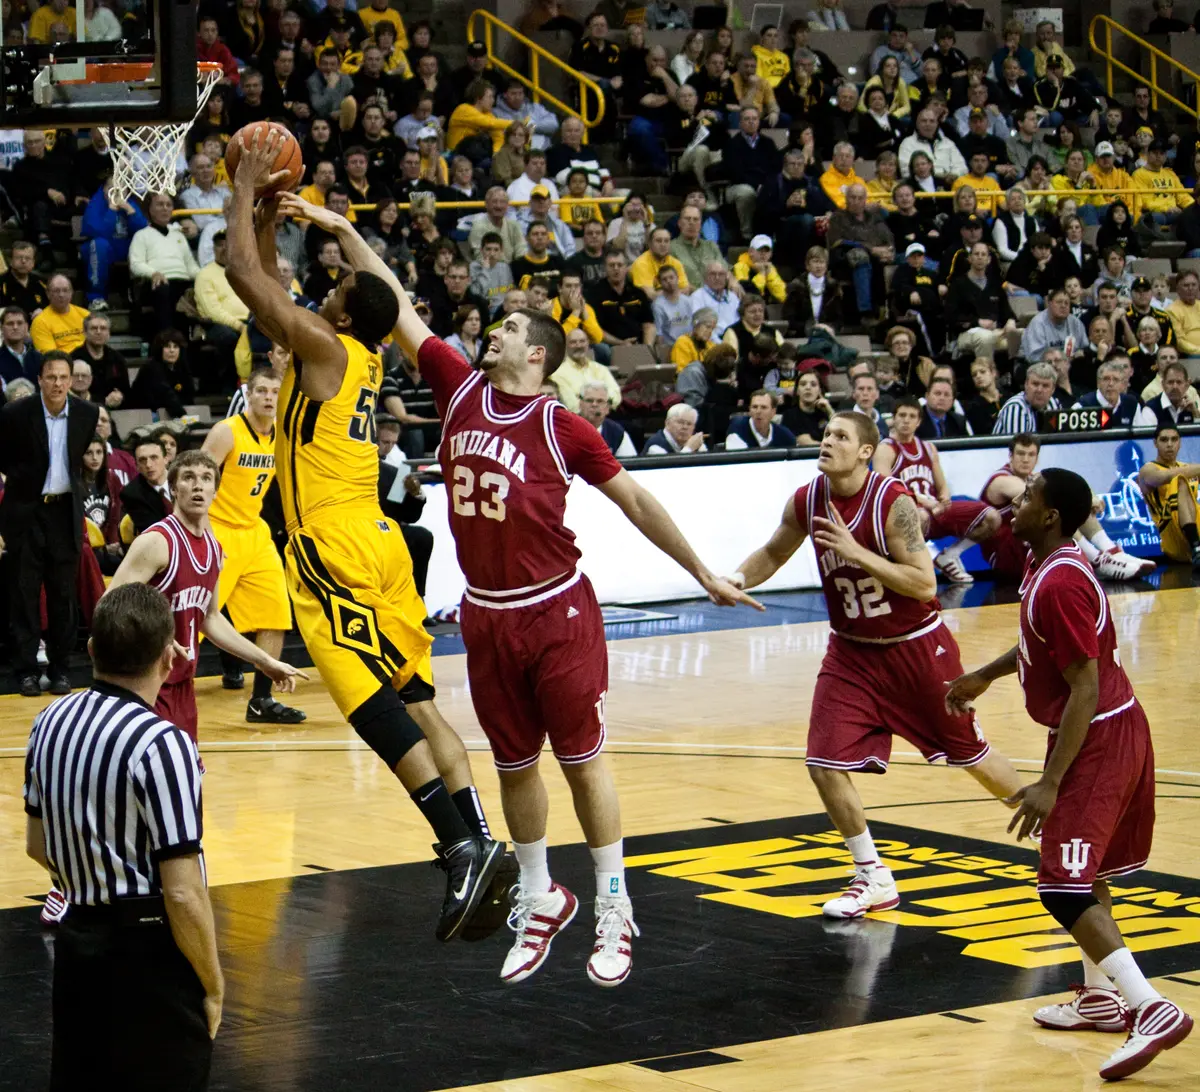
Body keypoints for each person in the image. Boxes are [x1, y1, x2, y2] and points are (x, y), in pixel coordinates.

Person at [368, 198, 757, 986]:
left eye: (509, 327)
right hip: (486, 616)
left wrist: (703, 573)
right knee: (514, 769)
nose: (495, 330)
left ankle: (614, 902)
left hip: (558, 610)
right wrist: (346, 235)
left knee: (582, 763)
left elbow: (639, 503)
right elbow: (398, 310)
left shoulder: (561, 426)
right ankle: (541, 896)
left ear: (538, 354)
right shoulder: (457, 387)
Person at [228, 134, 511, 945]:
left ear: (343, 313)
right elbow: (341, 285)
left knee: (370, 707)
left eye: (336, 285)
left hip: (333, 546)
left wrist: (244, 190)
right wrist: (312, 224)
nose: (327, 288)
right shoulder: (369, 350)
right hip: (380, 543)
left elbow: (245, 279)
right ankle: (482, 840)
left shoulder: (325, 346)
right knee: (419, 701)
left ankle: (457, 846)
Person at [946, 468, 1193, 1082]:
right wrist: (987, 674)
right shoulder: (1043, 562)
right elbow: (1044, 649)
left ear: (1050, 515)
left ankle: (1150, 1007)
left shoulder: (1059, 581)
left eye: (1027, 496)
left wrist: (1051, 783)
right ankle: (1099, 997)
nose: (1015, 501)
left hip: (1100, 736)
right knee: (1092, 872)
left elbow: (1082, 684)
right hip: (1108, 726)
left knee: (1061, 886)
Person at [727, 411, 1023, 918]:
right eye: (825, 434)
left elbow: (925, 585)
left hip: (915, 649)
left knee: (972, 756)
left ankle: (1063, 837)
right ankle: (873, 875)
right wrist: (734, 578)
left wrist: (854, 552)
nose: (828, 442)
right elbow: (775, 551)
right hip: (851, 652)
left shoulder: (893, 502)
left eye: (841, 436)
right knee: (823, 763)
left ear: (866, 451)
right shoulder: (807, 498)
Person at [23, 584, 223, 1089]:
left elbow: (37, 846)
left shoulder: (48, 721)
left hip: (77, 943)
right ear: (168, 657)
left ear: (90, 650)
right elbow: (181, 890)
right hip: (148, 956)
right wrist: (214, 984)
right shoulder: (165, 743)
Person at [108, 447, 303, 740]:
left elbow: (210, 619)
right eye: (188, 477)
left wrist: (264, 661)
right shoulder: (157, 542)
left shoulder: (213, 549)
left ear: (215, 490)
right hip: (143, 683)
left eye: (206, 478)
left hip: (183, 683)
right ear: (173, 488)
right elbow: (108, 607)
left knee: (186, 778)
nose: (198, 484)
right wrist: (157, 636)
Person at [200, 368, 305, 724]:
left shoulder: (282, 435)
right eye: (261, 390)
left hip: (254, 530)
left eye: (275, 391)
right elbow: (194, 478)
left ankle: (261, 700)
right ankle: (152, 695)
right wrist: (193, 531)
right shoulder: (226, 432)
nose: (269, 397)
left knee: (276, 614)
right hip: (217, 529)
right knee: (191, 618)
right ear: (248, 394)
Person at [0, 351, 99, 696]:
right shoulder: (14, 413)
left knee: (63, 596)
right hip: (26, 512)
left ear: (71, 380)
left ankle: (60, 669)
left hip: (63, 512)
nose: (57, 383)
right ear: (39, 379)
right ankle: (26, 671)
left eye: (63, 377)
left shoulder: (87, 413)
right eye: (51, 377)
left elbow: (78, 456)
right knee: (24, 595)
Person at [874, 397, 1000, 583]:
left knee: (991, 517)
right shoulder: (885, 449)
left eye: (912, 416)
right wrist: (927, 503)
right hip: (901, 514)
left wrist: (944, 500)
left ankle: (949, 556)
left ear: (919, 421)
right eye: (902, 415)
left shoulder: (928, 448)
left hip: (932, 510)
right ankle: (913, 572)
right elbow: (887, 490)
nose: (906, 420)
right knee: (920, 515)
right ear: (893, 419)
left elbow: (941, 486)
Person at [1138, 424, 1200, 568]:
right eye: (1164, 440)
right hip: (1170, 534)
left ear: (1180, 442)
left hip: (1194, 523)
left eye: (1174, 439)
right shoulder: (1148, 469)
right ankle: (1196, 546)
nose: (1170, 445)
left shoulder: (1187, 467)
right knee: (1180, 481)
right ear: (1155, 443)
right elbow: (1162, 477)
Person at [120, 436, 173, 535]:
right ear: (137, 466)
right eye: (142, 460)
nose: (148, 465)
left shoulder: (183, 480)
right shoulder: (132, 494)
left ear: (166, 459)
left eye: (154, 458)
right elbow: (154, 530)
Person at [993, 362, 1061, 434]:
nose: (1039, 390)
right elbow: (1019, 444)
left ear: (1053, 389)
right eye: (1035, 384)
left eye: (1045, 386)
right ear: (1026, 384)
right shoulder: (1016, 407)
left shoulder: (1054, 403)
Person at [30, 275, 89, 356]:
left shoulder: (86, 315)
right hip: (62, 364)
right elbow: (51, 357)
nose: (61, 295)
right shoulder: (40, 322)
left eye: (65, 290)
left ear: (72, 292)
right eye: (56, 291)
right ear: (48, 294)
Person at [577, 379, 636, 457]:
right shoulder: (567, 428)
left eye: (600, 401)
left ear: (607, 408)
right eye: (589, 400)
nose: (594, 404)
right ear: (580, 404)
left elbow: (630, 464)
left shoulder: (617, 432)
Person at [725, 389, 796, 449]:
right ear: (749, 410)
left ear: (773, 412)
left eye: (764, 407)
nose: (758, 411)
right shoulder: (737, 431)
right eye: (755, 407)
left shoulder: (785, 436)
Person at [642, 402, 709, 455]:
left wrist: (701, 448)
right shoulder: (656, 446)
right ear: (667, 423)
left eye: (689, 424)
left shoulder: (693, 441)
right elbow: (672, 471)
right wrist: (689, 449)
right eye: (680, 422)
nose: (685, 427)